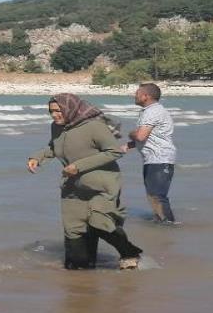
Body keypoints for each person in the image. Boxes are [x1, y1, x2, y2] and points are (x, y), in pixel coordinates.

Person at [28, 93, 143, 270]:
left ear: (70, 109)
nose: (54, 115)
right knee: (76, 254)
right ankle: (85, 277)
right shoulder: (57, 127)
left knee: (99, 223)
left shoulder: (94, 127)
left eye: (58, 111)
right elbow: (53, 146)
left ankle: (129, 252)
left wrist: (78, 166)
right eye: (51, 111)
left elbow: (114, 152)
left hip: (101, 184)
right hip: (73, 188)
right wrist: (38, 157)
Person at [124, 83, 177, 224]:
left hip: (160, 158)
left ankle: (168, 225)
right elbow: (151, 137)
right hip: (153, 158)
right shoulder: (149, 111)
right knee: (152, 194)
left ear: (146, 96)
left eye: (137, 93)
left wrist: (131, 134)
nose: (134, 96)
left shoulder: (152, 112)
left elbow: (141, 136)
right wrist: (129, 145)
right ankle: (161, 222)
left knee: (157, 195)